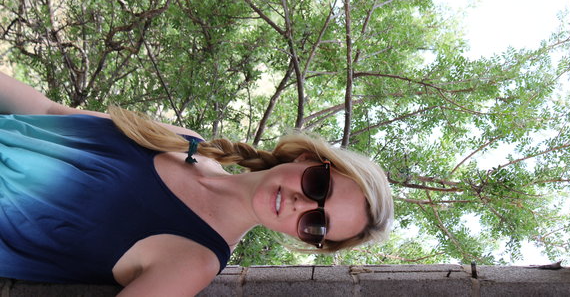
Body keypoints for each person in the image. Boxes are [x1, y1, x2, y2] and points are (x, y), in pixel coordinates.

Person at [0, 71, 394, 296]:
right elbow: (49, 111)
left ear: (305, 238)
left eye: (316, 225)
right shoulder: (186, 142)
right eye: (319, 186)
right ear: (309, 159)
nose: (300, 204)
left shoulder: (194, 262)